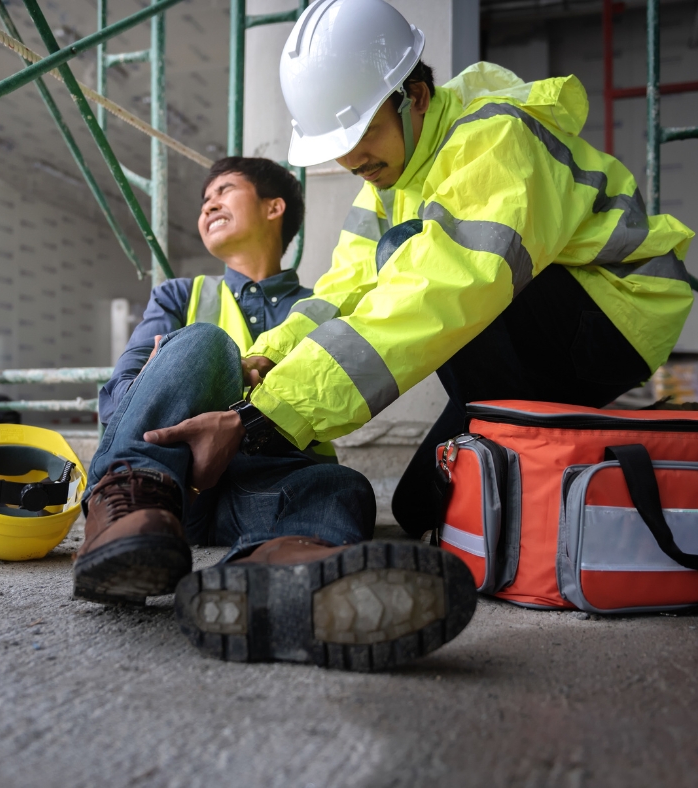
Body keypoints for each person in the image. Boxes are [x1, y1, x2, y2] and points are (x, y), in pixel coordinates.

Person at [229, 0, 697, 539]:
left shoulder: (494, 138)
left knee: (407, 253)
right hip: (540, 330)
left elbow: (447, 288)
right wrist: (270, 358)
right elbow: (343, 289)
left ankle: (564, 440)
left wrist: (283, 411)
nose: (354, 160)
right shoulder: (386, 182)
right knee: (420, 510)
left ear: (417, 97)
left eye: (365, 134)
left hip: (612, 317)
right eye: (339, 147)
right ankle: (567, 449)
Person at [74, 155, 478, 672]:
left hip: (264, 490)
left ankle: (278, 571)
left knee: (339, 484)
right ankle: (124, 517)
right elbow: (117, 398)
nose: (209, 203)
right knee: (206, 345)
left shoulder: (321, 308)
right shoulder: (181, 295)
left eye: (224, 189)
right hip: (171, 487)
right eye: (204, 200)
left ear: (275, 207)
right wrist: (218, 371)